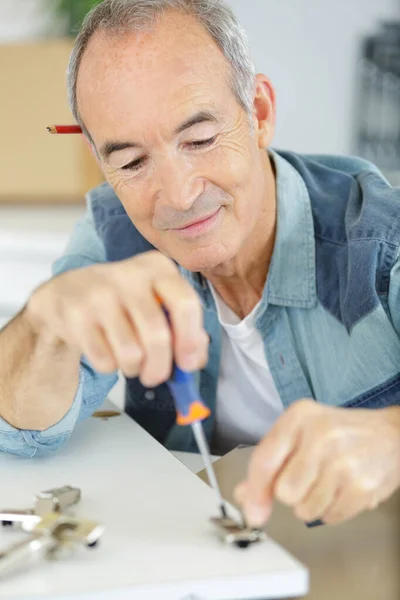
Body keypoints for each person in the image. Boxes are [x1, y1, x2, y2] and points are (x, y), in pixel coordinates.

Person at [1, 0, 399, 529]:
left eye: (201, 139)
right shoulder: (112, 236)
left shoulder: (380, 245)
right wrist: (42, 324)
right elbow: (18, 430)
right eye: (132, 162)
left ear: (258, 114)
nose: (180, 195)